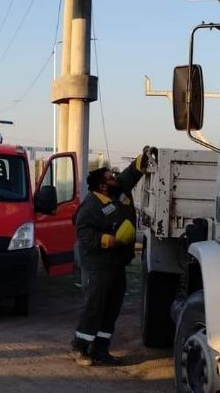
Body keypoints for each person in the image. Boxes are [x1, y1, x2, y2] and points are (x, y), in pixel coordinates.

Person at [70, 147, 151, 367]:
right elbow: (84, 233)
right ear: (102, 186)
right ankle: (81, 348)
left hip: (116, 265)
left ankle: (101, 350)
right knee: (94, 307)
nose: (114, 177)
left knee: (111, 308)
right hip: (97, 266)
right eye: (109, 177)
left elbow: (128, 175)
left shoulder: (118, 190)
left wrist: (140, 161)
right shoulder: (90, 207)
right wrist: (109, 240)